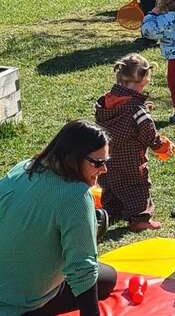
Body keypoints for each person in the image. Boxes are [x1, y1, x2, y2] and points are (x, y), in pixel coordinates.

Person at [0, 120, 117, 315]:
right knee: (106, 279)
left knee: (106, 276)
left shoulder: (24, 168)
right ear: (74, 157)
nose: (104, 170)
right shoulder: (76, 195)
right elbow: (83, 269)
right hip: (19, 306)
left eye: (106, 162)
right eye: (98, 163)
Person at [95, 53, 174, 232]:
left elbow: (121, 112)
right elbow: (149, 134)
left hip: (107, 155)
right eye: (143, 86)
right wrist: (162, 146)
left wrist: (142, 107)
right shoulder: (138, 112)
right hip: (131, 159)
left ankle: (111, 212)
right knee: (137, 186)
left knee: (109, 184)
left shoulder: (103, 102)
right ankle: (140, 219)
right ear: (142, 81)